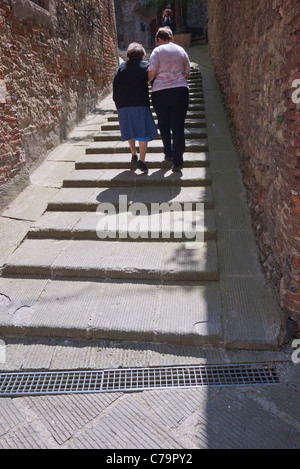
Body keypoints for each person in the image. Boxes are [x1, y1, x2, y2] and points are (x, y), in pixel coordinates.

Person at [148, 27, 190, 172]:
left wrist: (149, 80)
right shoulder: (181, 50)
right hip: (180, 91)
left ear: (159, 39)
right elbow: (187, 73)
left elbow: (152, 70)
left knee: (164, 124)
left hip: (160, 92)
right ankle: (178, 161)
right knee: (178, 127)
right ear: (171, 37)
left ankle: (168, 153)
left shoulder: (157, 51)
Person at [113, 42, 158, 173]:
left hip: (123, 104)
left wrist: (118, 104)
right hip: (139, 103)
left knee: (130, 129)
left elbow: (115, 85)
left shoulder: (121, 67)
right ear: (142, 55)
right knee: (142, 132)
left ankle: (134, 154)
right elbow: (153, 82)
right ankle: (141, 161)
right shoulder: (146, 65)